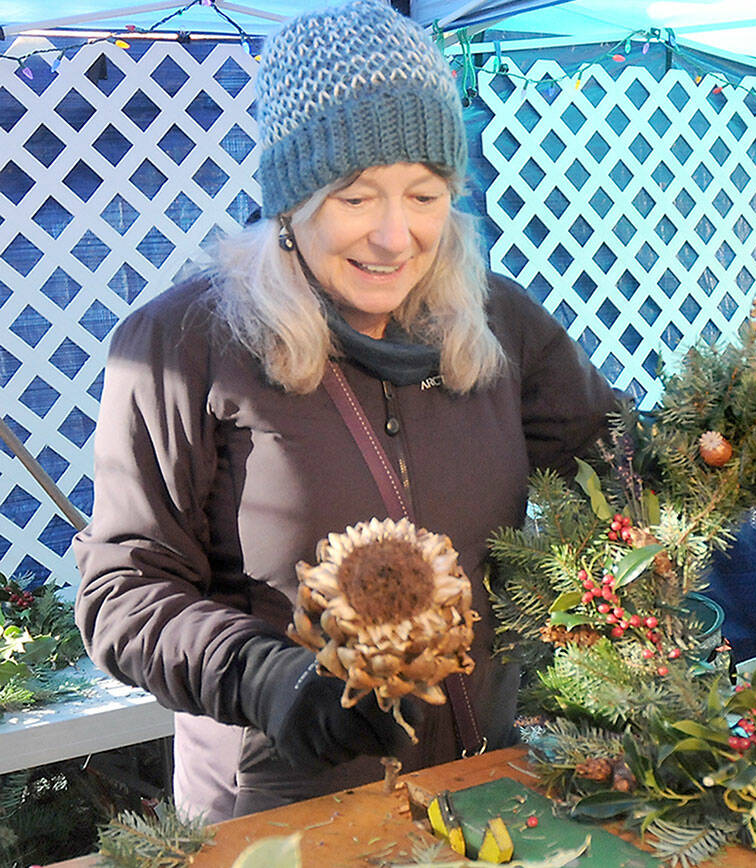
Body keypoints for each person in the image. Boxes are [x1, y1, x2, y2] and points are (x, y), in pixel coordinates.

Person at [73, 0, 617, 822]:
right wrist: (274, 679)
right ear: (292, 198)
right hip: (282, 809)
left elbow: (622, 463)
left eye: (425, 194)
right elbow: (125, 591)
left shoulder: (499, 322)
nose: (397, 236)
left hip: (479, 789)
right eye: (357, 197)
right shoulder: (182, 342)